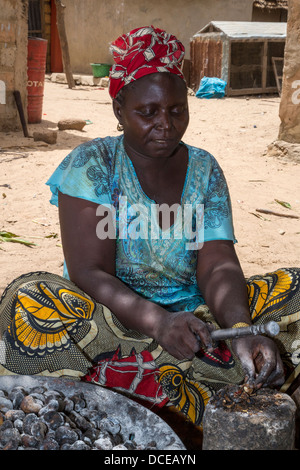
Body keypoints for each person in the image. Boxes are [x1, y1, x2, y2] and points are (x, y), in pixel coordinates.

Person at [0, 26, 299, 427]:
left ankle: (165, 386)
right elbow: (88, 272)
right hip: (109, 323)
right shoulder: (93, 165)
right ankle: (204, 387)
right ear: (119, 110)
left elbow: (218, 264)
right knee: (29, 297)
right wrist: (158, 322)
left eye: (177, 110)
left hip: (198, 322)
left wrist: (241, 328)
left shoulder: (205, 169)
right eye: (148, 112)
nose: (166, 124)